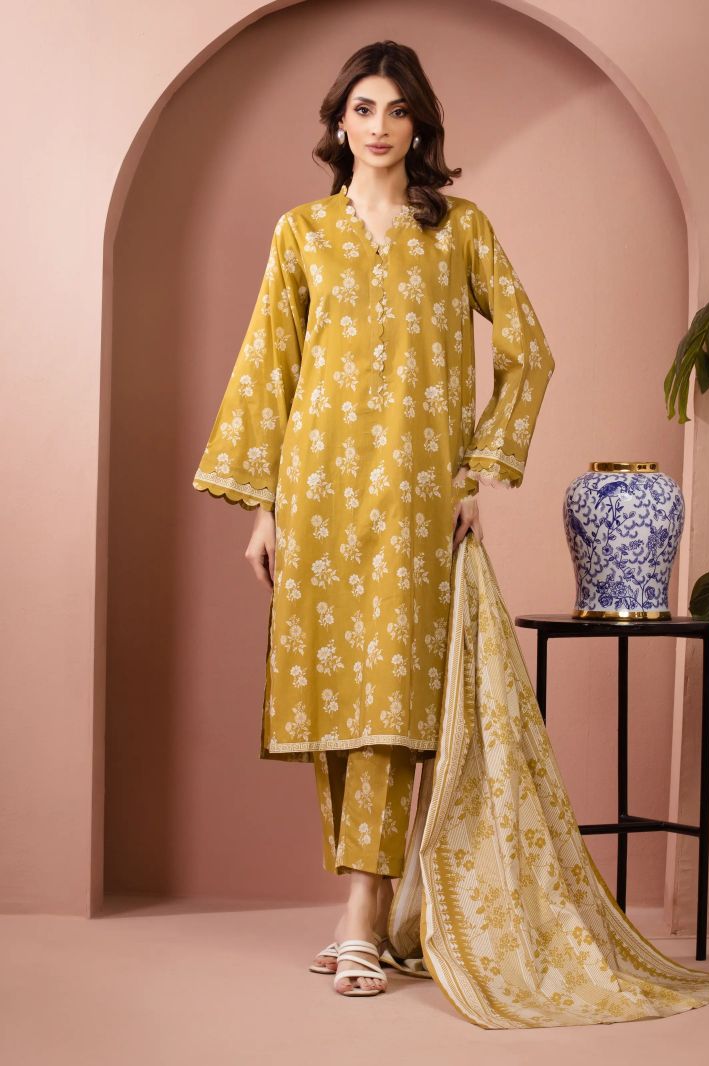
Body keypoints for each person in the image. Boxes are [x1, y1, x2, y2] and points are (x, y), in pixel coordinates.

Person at [192, 40, 555, 997]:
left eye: (398, 109)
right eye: (364, 108)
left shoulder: (460, 230)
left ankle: (360, 914)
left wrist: (479, 470)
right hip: (317, 499)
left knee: (394, 703)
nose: (381, 126)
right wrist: (264, 509)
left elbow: (528, 352)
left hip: (416, 504)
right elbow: (268, 369)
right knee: (335, 704)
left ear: (419, 123)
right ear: (340, 122)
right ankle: (374, 906)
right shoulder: (303, 233)